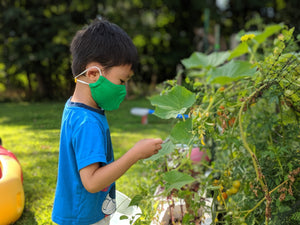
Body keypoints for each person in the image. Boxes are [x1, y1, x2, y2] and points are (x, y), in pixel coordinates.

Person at [52, 18, 163, 225]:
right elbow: (92, 182)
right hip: (83, 219)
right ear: (94, 74)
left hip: (81, 213)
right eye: (122, 81)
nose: (124, 89)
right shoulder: (88, 123)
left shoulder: (76, 108)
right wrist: (135, 153)